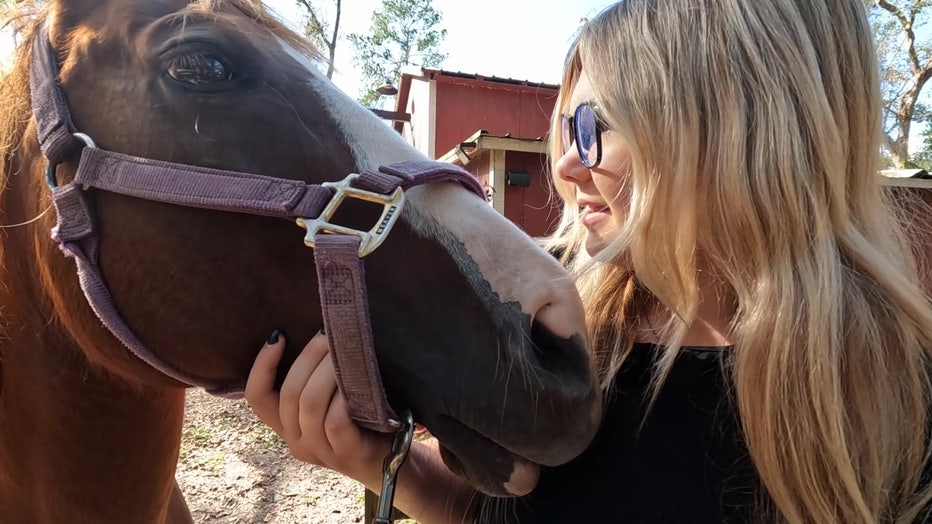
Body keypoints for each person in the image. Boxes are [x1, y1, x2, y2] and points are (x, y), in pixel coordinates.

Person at [245, 0, 932, 522]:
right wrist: (383, 462)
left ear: (735, 128)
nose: (565, 167)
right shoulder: (565, 333)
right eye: (561, 129)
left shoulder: (901, 391)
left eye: (589, 127)